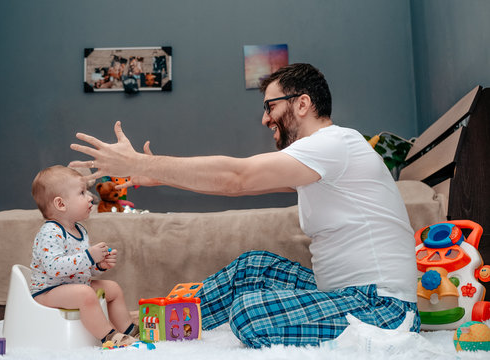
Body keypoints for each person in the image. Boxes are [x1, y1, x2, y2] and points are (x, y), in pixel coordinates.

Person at [69, 63, 420, 348]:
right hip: (345, 296)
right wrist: (160, 177)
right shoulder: (321, 159)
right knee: (252, 267)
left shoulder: (335, 143)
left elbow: (238, 177)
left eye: (271, 106)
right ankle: (148, 328)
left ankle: (152, 327)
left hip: (383, 308)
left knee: (250, 315)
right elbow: (237, 188)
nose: (266, 119)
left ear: (302, 103)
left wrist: (142, 164)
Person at [30, 165, 137, 346]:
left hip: (74, 285)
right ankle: (109, 337)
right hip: (48, 291)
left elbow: (81, 270)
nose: (90, 198)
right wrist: (89, 256)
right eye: (82, 193)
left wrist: (99, 265)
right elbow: (54, 268)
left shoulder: (80, 230)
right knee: (85, 294)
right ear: (61, 204)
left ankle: (130, 330)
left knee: (113, 288)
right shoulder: (50, 231)